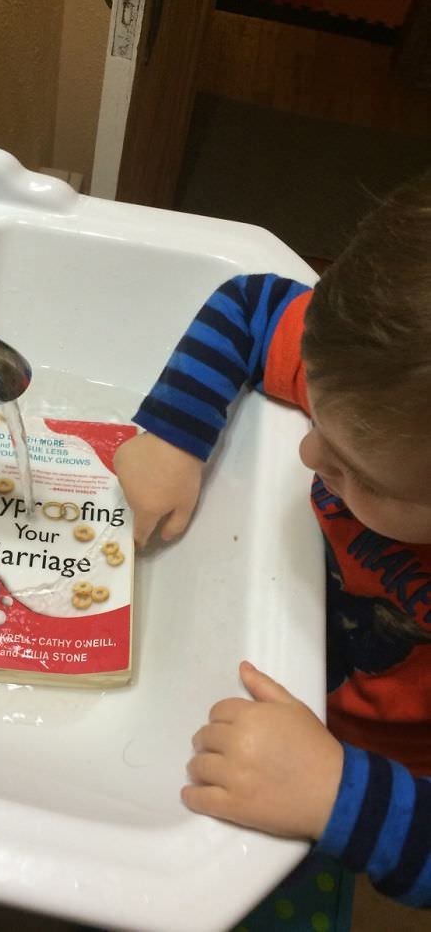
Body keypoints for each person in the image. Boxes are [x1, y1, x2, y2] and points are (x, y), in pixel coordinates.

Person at [113, 173, 431, 909]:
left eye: (362, 476)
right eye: (317, 416)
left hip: (377, 770)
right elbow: (252, 307)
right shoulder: (376, 371)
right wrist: (174, 433)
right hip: (310, 648)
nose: (310, 456)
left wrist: (334, 794)